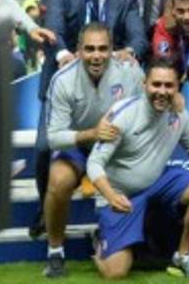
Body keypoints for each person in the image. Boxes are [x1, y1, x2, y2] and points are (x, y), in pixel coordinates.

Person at [87, 60, 189, 280]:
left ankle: (183, 254)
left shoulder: (178, 114)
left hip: (158, 181)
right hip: (121, 193)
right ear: (144, 84)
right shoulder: (122, 114)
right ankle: (99, 242)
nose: (162, 92)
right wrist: (111, 195)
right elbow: (94, 163)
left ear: (177, 86)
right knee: (115, 273)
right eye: (156, 85)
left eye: (168, 85)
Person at [41, 23, 144, 278]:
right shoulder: (62, 80)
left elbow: (143, 117)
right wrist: (91, 134)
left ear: (112, 50)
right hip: (78, 146)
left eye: (102, 49)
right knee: (58, 180)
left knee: (145, 175)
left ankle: (124, 241)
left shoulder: (129, 72)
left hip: (115, 149)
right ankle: (55, 252)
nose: (96, 55)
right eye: (89, 49)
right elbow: (53, 138)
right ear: (78, 50)